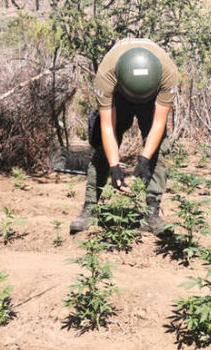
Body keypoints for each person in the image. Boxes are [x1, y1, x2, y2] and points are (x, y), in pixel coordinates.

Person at [69, 38, 179, 235]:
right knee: (102, 147)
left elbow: (159, 123)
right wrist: (114, 167)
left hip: (151, 99)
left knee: (159, 147)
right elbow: (107, 127)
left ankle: (151, 214)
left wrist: (144, 160)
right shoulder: (107, 74)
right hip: (119, 96)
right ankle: (90, 208)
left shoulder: (167, 74)